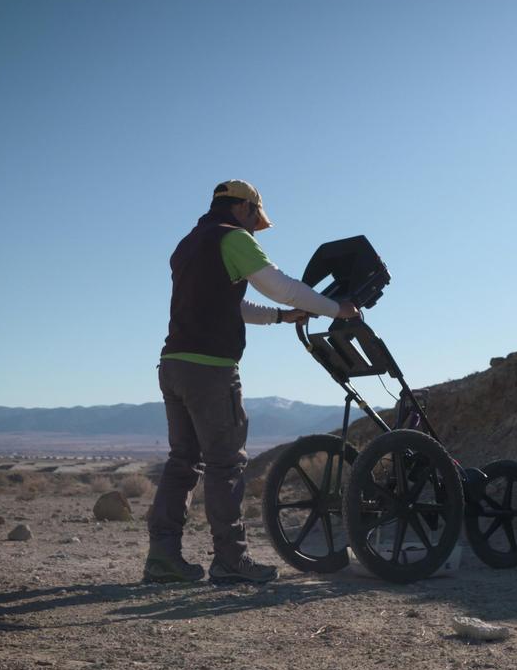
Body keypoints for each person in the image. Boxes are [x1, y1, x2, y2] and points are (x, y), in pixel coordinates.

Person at [144, 179, 359, 584]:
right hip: (210, 369)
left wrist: (279, 318)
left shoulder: (188, 244)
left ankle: (162, 556)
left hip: (173, 364)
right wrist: (337, 309)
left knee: (183, 461)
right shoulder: (233, 237)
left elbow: (230, 304)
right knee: (225, 463)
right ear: (244, 208)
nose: (254, 229)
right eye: (255, 219)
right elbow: (282, 287)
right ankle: (231, 559)